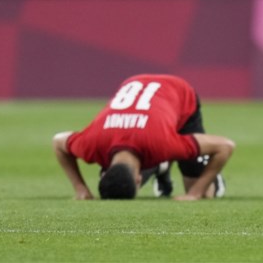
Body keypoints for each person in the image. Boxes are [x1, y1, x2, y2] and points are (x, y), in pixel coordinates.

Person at [52, 74, 235, 201]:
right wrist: (81, 188)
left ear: (139, 179)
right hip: (139, 92)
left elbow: (225, 146)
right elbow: (58, 141)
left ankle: (213, 181)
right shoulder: (92, 143)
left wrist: (195, 192)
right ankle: (161, 166)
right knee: (118, 183)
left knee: (206, 193)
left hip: (178, 93)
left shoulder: (163, 143)